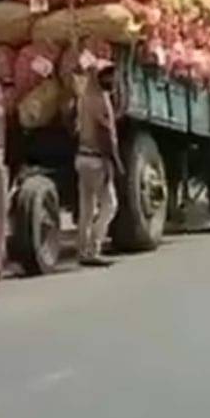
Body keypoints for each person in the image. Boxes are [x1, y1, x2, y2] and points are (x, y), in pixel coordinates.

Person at [75, 59, 122, 268]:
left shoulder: (84, 97)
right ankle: (94, 247)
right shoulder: (101, 100)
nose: (111, 79)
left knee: (87, 207)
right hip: (96, 159)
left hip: (82, 157)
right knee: (110, 205)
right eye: (106, 75)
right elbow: (106, 135)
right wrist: (115, 162)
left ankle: (82, 250)